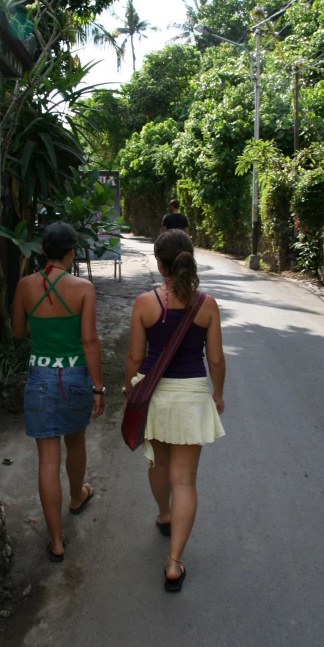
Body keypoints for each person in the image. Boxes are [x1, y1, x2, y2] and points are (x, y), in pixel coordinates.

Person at [124, 229, 225, 592]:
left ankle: (164, 514)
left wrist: (127, 389)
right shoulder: (207, 305)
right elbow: (214, 358)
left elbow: (135, 357)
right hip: (192, 395)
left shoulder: (145, 304)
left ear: (159, 262)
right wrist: (218, 394)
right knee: (185, 480)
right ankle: (174, 562)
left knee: (157, 464)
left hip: (155, 396)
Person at [12, 222, 105, 563]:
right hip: (77, 375)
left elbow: (18, 332)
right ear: (72, 252)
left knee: (47, 460)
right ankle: (77, 497)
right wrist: (98, 389)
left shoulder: (24, 286)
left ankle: (55, 542)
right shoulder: (84, 288)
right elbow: (90, 341)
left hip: (40, 377)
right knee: (76, 442)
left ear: (42, 251)